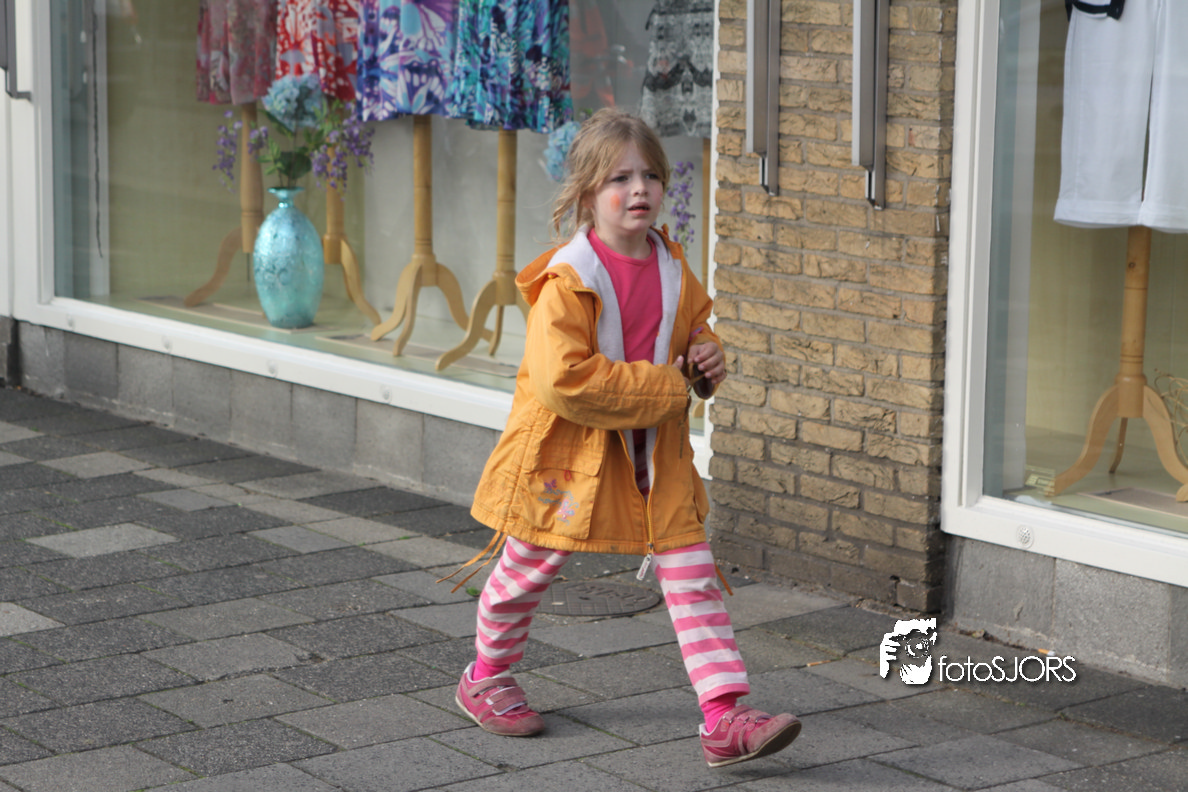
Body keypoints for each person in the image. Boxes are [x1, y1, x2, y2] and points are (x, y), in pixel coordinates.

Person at [449, 108, 801, 768]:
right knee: (528, 566)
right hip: (566, 456)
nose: (639, 189)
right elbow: (566, 381)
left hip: (656, 458)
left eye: (650, 176)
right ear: (586, 194)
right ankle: (485, 676)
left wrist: (707, 358)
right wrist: (671, 386)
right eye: (619, 179)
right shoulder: (567, 281)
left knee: (692, 574)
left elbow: (692, 330)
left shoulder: (673, 266)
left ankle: (724, 715)